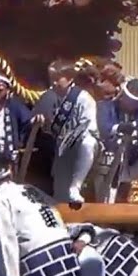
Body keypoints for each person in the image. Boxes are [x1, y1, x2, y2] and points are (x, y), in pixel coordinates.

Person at [44, 60, 99, 207]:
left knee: (88, 142)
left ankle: (76, 186)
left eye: (58, 79)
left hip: (80, 149)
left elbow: (89, 127)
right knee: (60, 199)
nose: (54, 83)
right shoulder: (47, 98)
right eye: (52, 79)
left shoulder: (84, 98)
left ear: (70, 79)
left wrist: (71, 138)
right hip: (60, 151)